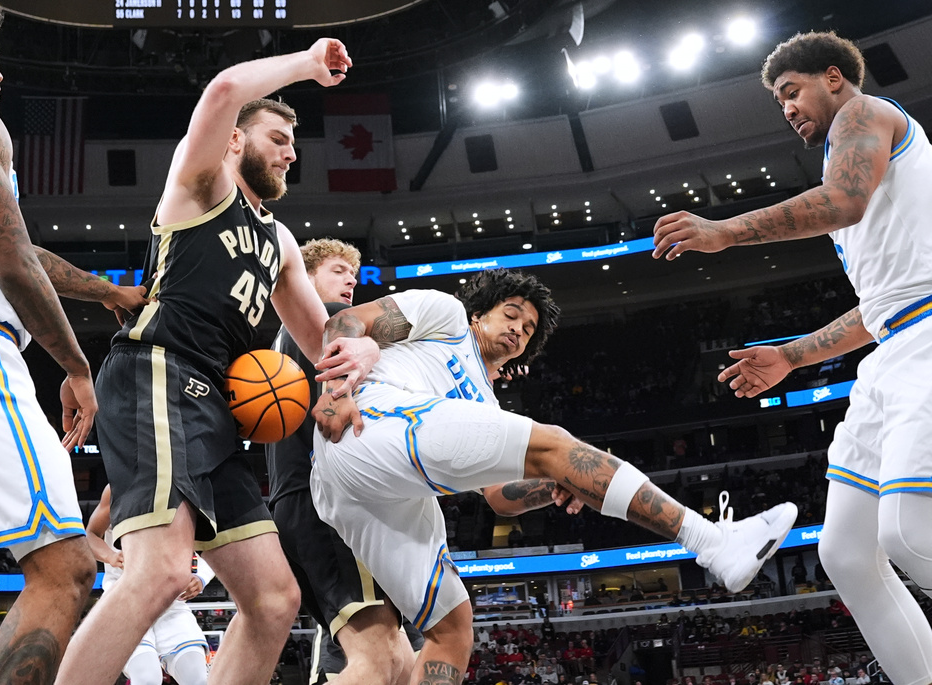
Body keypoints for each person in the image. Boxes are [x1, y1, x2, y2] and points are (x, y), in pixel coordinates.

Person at [55, 38, 380, 685]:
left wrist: (361, 346)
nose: (291, 149)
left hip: (218, 414)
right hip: (158, 373)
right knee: (163, 571)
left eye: (295, 142)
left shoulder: (282, 241)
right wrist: (309, 66)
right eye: (277, 135)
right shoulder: (200, 186)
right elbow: (223, 92)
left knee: (273, 599)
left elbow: (323, 344)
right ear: (234, 141)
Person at [309, 268, 797, 685]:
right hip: (366, 422)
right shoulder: (447, 315)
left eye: (529, 326)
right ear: (480, 313)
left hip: (366, 494)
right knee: (554, 441)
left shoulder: (485, 403)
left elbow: (500, 500)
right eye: (512, 313)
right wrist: (335, 391)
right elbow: (347, 320)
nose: (520, 328)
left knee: (453, 628)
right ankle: (712, 541)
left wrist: (555, 483)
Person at [651, 30, 932, 683]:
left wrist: (725, 231)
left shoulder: (865, 114)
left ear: (833, 77)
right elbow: (881, 309)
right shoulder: (857, 164)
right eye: (780, 100)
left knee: (907, 531)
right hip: (898, 345)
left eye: (791, 91)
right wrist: (793, 355)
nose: (787, 108)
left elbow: (845, 200)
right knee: (844, 551)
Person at [0, 0, 146, 680]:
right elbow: (10, 263)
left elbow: (13, 247)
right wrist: (76, 365)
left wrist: (108, 292)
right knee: (65, 570)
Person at [264, 237, 417, 685]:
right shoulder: (328, 329)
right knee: (375, 660)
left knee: (402, 663)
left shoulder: (282, 342)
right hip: (331, 508)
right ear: (304, 279)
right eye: (336, 270)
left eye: (353, 273)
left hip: (297, 506)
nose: (350, 280)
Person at [86, 485, 211, 685]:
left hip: (171, 602)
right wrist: (110, 556)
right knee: (147, 679)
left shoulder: (187, 484)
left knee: (197, 679)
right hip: (125, 600)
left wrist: (202, 577)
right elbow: (90, 535)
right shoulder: (116, 488)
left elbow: (212, 541)